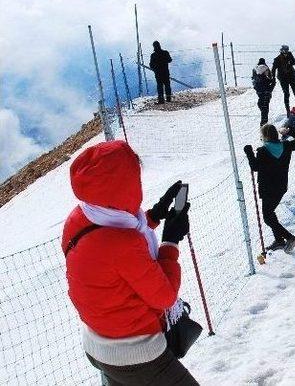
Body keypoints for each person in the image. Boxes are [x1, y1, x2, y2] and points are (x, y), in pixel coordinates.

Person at [62, 140, 198, 385]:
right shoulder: (122, 243)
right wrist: (171, 241)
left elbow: (109, 256)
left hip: (98, 345)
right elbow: (164, 296)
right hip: (135, 354)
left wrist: (153, 216)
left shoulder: (80, 217)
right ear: (124, 186)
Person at [244, 124, 295, 252]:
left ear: (264, 136)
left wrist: (249, 152)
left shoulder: (263, 151)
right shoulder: (286, 146)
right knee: (270, 213)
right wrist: (290, 130)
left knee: (267, 217)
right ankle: (279, 240)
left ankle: (290, 238)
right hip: (281, 186)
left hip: (267, 188)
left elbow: (255, 167)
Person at [272, 45, 295, 115]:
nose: (285, 53)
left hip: (292, 76)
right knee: (286, 93)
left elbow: (294, 62)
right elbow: (273, 70)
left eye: (286, 51)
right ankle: (288, 110)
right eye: (284, 51)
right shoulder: (277, 59)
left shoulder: (290, 55)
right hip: (283, 78)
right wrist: (273, 78)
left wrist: (290, 62)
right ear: (281, 51)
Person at [252, 58, 276, 126]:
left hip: (263, 100)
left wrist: (272, 81)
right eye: (266, 71)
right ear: (263, 72)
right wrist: (273, 84)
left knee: (264, 118)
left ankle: (264, 132)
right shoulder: (262, 80)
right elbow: (268, 90)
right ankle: (263, 134)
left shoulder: (262, 79)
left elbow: (267, 83)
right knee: (264, 120)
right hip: (264, 101)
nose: (268, 71)